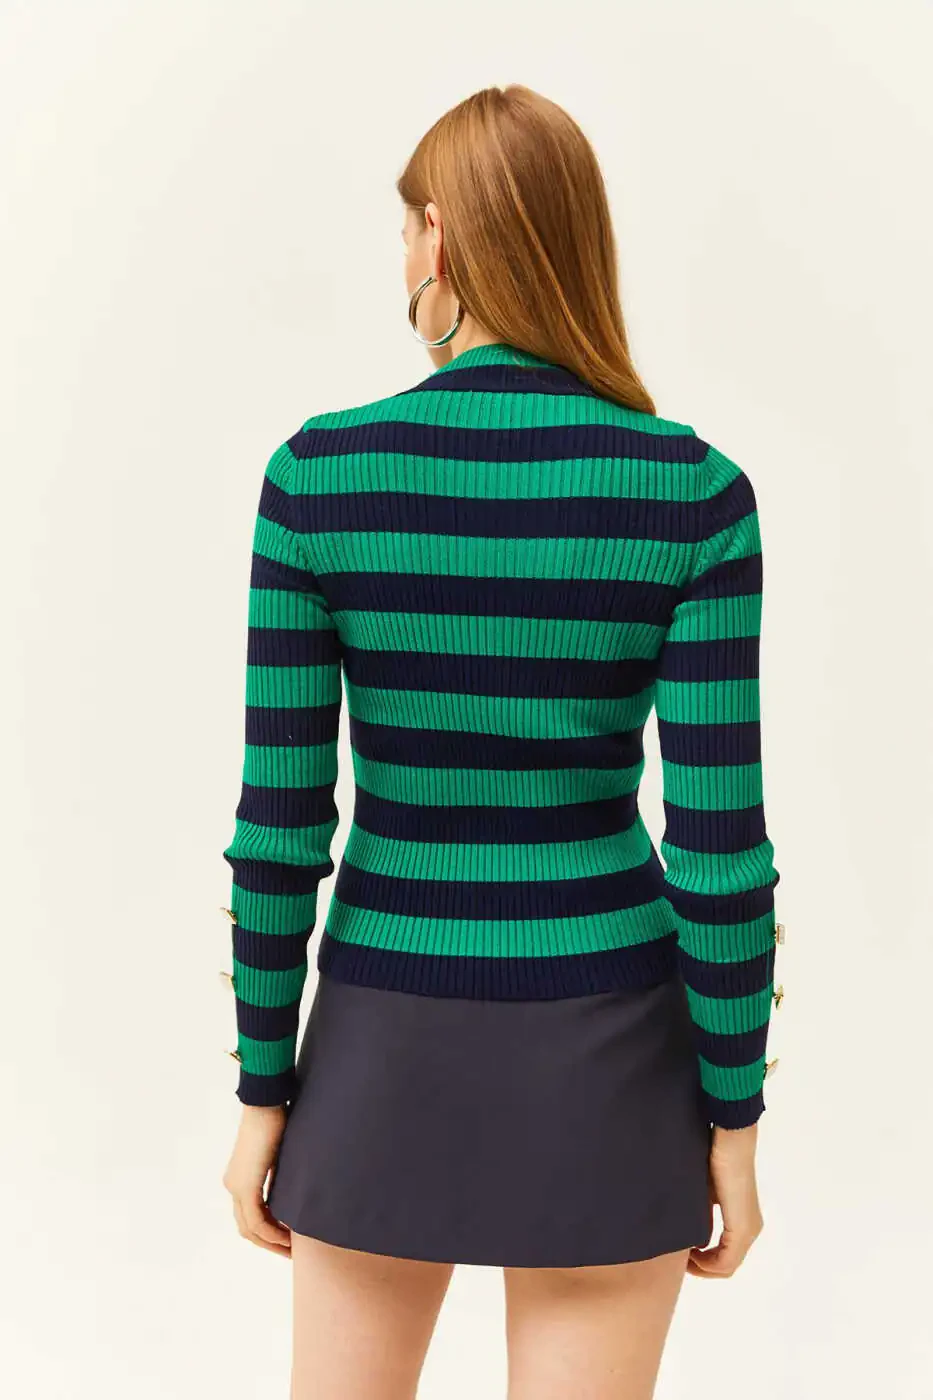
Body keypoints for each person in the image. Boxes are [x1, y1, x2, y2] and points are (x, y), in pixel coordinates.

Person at [220, 83, 782, 1400]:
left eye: (403, 234)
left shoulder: (318, 478)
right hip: (613, 1051)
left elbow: (280, 833)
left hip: (379, 1042)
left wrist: (262, 1092)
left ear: (439, 239)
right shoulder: (693, 495)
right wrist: (736, 1118)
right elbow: (718, 857)